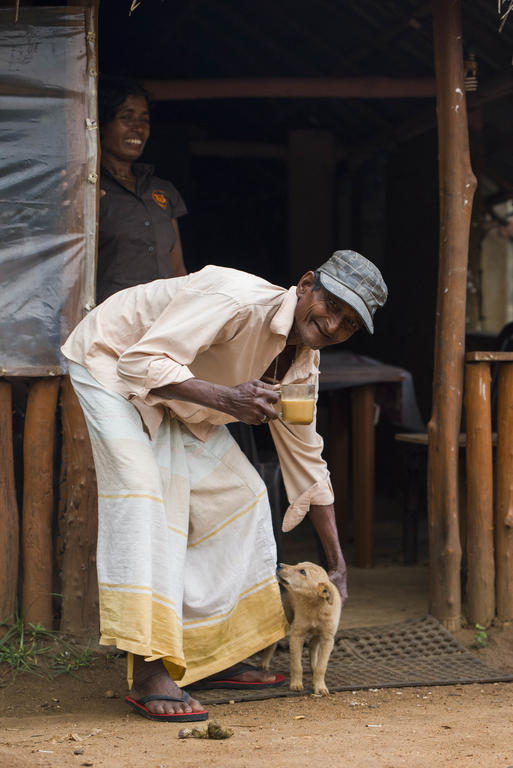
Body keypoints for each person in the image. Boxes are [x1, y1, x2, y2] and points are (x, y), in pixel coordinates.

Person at [61, 249, 387, 722]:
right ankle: (150, 670)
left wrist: (338, 566)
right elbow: (141, 362)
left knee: (245, 496)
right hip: (110, 362)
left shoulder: (302, 367)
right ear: (306, 284)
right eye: (333, 306)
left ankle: (204, 658)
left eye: (350, 323)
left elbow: (307, 461)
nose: (335, 325)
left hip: (175, 397)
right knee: (145, 496)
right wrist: (226, 398)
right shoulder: (235, 299)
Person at [97, 76, 187, 304]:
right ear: (101, 124)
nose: (138, 128)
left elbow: (177, 268)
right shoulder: (90, 188)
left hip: (163, 319)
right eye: (126, 118)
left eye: (144, 120)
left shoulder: (162, 190)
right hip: (111, 321)